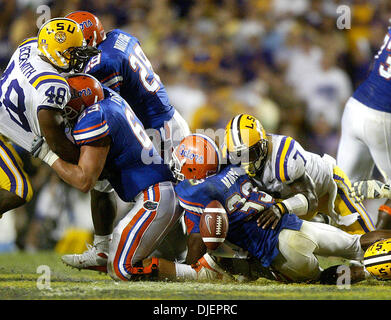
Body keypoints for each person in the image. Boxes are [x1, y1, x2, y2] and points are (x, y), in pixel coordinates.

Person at [132, 133, 391, 284]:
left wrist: (190, 265)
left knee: (321, 279)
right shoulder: (234, 168)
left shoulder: (193, 192)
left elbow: (200, 239)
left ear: (194, 168)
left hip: (280, 250)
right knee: (358, 243)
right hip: (295, 224)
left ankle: (368, 270)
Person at [60, 11, 190, 268]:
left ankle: (190, 259)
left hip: (157, 130)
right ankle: (101, 249)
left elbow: (103, 103)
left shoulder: (103, 63)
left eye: (75, 45)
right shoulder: (119, 37)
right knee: (100, 182)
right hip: (155, 123)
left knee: (177, 196)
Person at [33, 73, 184, 279]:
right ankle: (102, 250)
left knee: (122, 270)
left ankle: (199, 274)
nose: (65, 111)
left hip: (156, 197)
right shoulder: (108, 97)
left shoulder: (95, 116)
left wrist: (48, 155)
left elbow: (83, 181)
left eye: (69, 106)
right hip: (158, 192)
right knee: (102, 184)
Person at [0, 18, 97, 217]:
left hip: (5, 125)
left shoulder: (29, 46)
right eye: (73, 52)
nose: (78, 58)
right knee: (17, 190)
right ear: (56, 52)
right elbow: (58, 145)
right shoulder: (54, 87)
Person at [223, 114, 375, 235]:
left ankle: (324, 222)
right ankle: (322, 224)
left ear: (263, 145)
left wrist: (280, 209)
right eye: (239, 155)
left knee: (367, 239)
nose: (245, 161)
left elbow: (311, 200)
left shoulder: (282, 156)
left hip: (328, 187)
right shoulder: (229, 156)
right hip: (290, 199)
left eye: (250, 153)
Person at [336, 26, 391, 229]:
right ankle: (378, 252)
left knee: (341, 194)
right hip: (383, 116)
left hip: (355, 107)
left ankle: (347, 255)